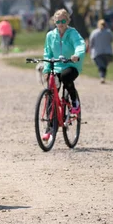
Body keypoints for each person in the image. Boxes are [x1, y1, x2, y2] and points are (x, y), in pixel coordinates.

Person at [41, 9, 86, 141]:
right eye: (58, 21)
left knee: (66, 77)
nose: (60, 24)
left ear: (68, 21)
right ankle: (49, 127)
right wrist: (46, 69)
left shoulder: (72, 33)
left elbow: (80, 44)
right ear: (54, 22)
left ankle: (74, 102)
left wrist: (77, 55)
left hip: (71, 65)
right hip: (56, 66)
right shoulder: (50, 35)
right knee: (50, 91)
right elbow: (47, 53)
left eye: (63, 21)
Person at [88, 19, 113, 83]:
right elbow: (112, 40)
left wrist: (90, 50)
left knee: (101, 66)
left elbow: (91, 43)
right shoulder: (108, 32)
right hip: (108, 53)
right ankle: (103, 77)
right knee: (104, 66)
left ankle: (102, 77)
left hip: (97, 53)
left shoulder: (94, 32)